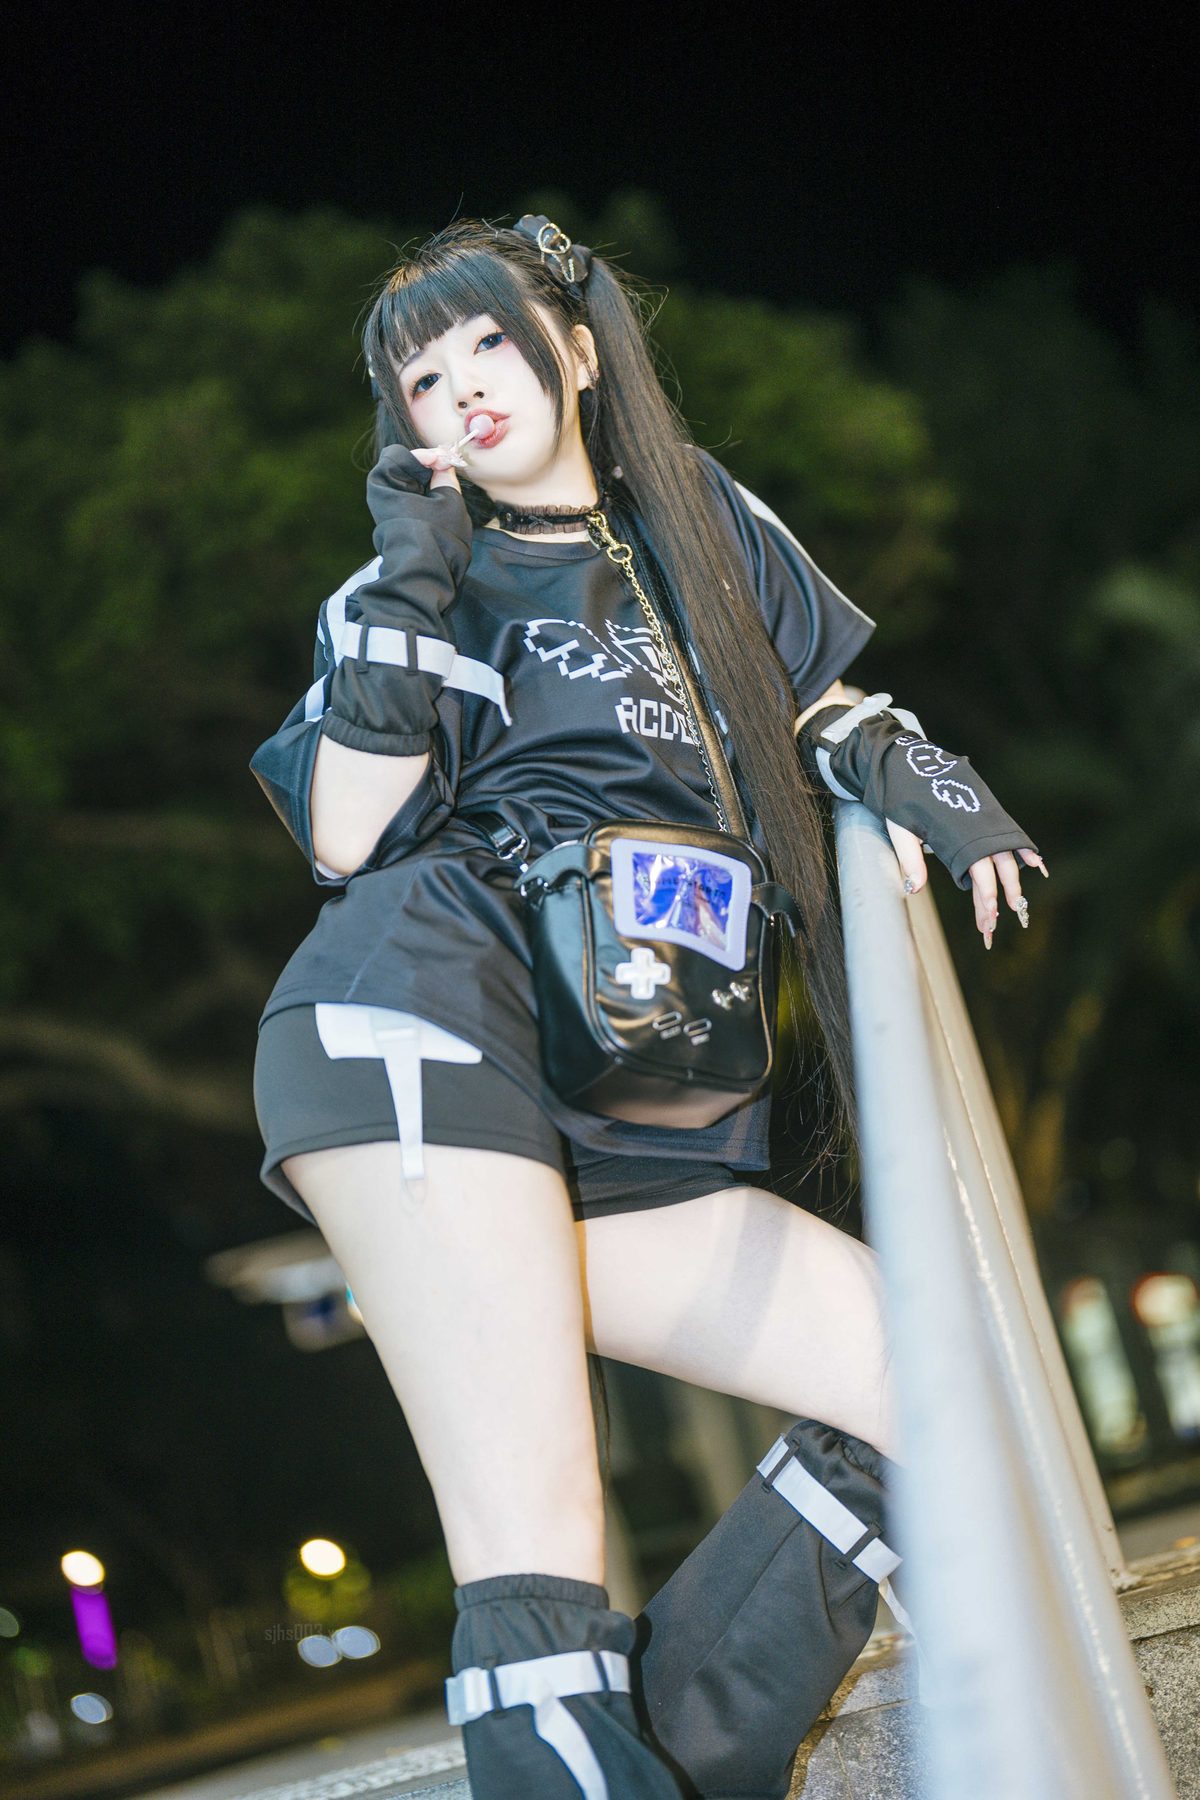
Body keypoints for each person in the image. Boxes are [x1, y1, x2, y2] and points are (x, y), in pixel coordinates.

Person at [249, 214, 1044, 1799]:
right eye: (421, 377)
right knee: (541, 1541)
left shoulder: (701, 525)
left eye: (488, 342)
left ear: (578, 350)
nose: (462, 388)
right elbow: (343, 829)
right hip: (423, 1037)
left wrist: (924, 782)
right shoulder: (411, 584)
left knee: (935, 1381)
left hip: (620, 1097)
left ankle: (666, 1765)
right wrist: (416, 569)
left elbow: (808, 705)